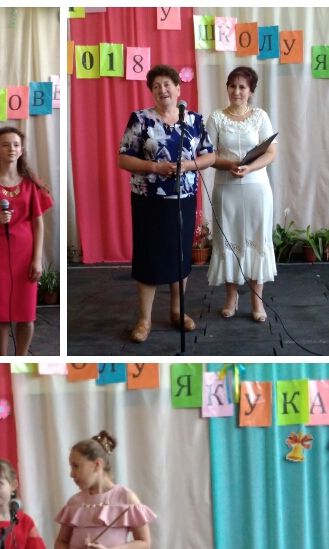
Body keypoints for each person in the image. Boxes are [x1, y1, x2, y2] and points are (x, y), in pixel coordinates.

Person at [118, 65, 216, 343]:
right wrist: (155, 167)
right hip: (148, 200)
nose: (162, 90)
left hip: (183, 199)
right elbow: (123, 158)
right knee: (149, 256)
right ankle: (144, 319)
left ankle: (177, 311)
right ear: (151, 91)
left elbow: (210, 155)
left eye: (167, 84)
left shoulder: (194, 120)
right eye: (156, 86)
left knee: (180, 255)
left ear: (178, 89)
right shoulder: (140, 119)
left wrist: (189, 165)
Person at [0, 127, 54, 356]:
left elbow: (38, 223)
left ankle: (20, 359)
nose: (11, 149)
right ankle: (2, 361)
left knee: (27, 315)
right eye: (5, 144)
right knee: (1, 316)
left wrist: (37, 259)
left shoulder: (31, 184)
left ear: (22, 150)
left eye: (16, 144)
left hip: (26, 256)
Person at [205, 66, 277, 321]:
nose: (236, 91)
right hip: (226, 189)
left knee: (257, 239)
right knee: (228, 239)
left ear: (251, 91)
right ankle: (231, 297)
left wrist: (249, 168)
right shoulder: (216, 118)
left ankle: (257, 300)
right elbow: (207, 156)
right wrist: (230, 165)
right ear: (227, 88)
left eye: (242, 87)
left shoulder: (260, 116)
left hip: (257, 188)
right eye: (232, 86)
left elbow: (271, 152)